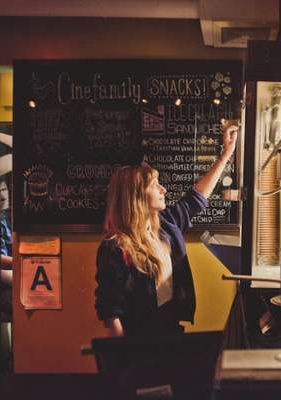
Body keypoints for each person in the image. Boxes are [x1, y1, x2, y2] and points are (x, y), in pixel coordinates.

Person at [94, 121, 238, 337]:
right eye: (154, 185)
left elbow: (197, 197)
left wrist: (226, 155)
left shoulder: (167, 225)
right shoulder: (115, 247)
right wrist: (122, 354)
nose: (163, 189)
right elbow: (110, 311)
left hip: (170, 326)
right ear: (136, 196)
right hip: (139, 339)